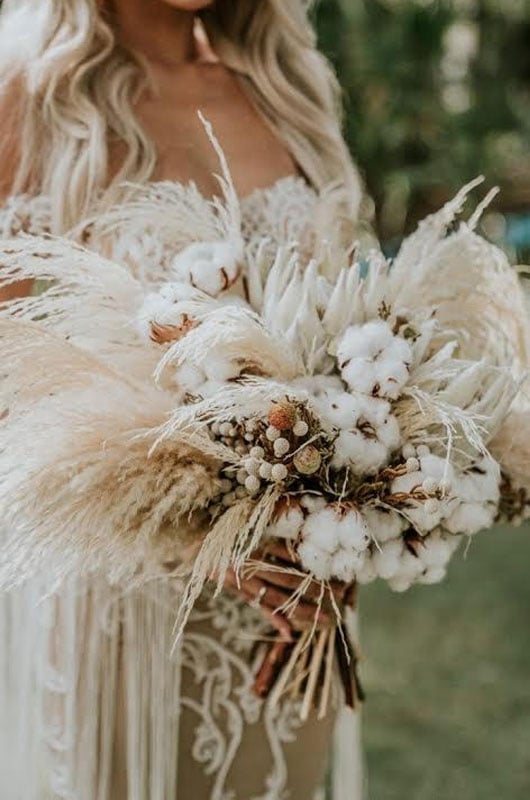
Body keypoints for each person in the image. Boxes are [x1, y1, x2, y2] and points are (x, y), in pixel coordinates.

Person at [0, 1, 365, 798]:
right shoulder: (31, 92)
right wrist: (184, 525)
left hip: (297, 592)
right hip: (129, 591)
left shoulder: (284, 83)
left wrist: (364, 505)